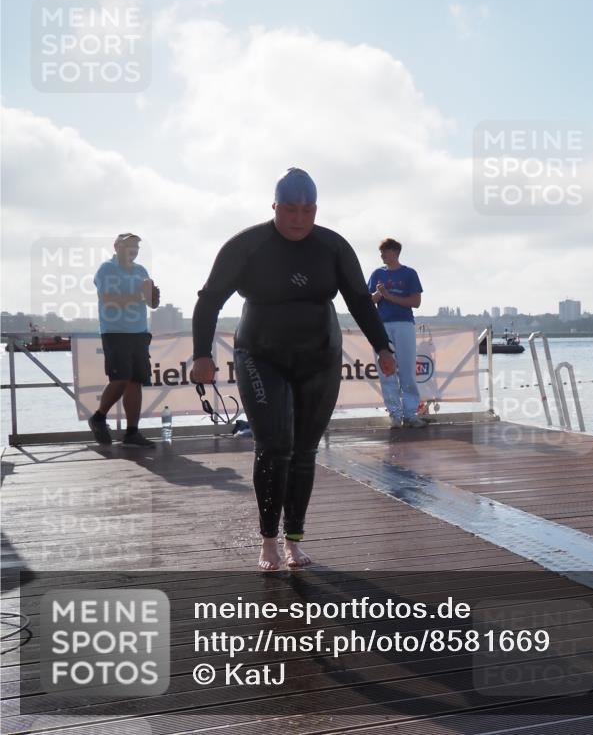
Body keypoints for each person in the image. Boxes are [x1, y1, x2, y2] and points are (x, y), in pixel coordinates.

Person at [189, 168, 396, 571]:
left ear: (315, 209)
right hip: (259, 355)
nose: (299, 218)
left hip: (319, 356)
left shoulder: (332, 247)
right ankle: (268, 541)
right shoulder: (247, 246)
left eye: (306, 210)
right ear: (275, 207)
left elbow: (358, 299)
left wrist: (382, 346)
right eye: (290, 210)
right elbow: (209, 299)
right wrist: (201, 354)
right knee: (273, 447)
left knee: (303, 451)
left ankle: (294, 539)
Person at [88, 233, 160, 448]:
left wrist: (153, 297)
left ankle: (132, 432)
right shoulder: (106, 269)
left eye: (137, 246)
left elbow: (151, 304)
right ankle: (98, 417)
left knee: (135, 381)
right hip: (115, 331)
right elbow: (108, 299)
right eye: (129, 245)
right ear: (117, 246)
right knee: (120, 379)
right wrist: (139, 297)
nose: (134, 249)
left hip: (139, 332)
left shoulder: (141, 271)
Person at [368, 238, 426, 429]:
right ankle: (395, 414)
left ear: (395, 252)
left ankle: (410, 414)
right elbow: (369, 301)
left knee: (407, 370)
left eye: (385, 251)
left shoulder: (409, 273)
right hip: (381, 325)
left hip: (404, 324)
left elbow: (415, 302)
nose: (382, 255)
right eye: (381, 252)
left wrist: (389, 296)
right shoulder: (377, 274)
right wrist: (378, 295)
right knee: (386, 370)